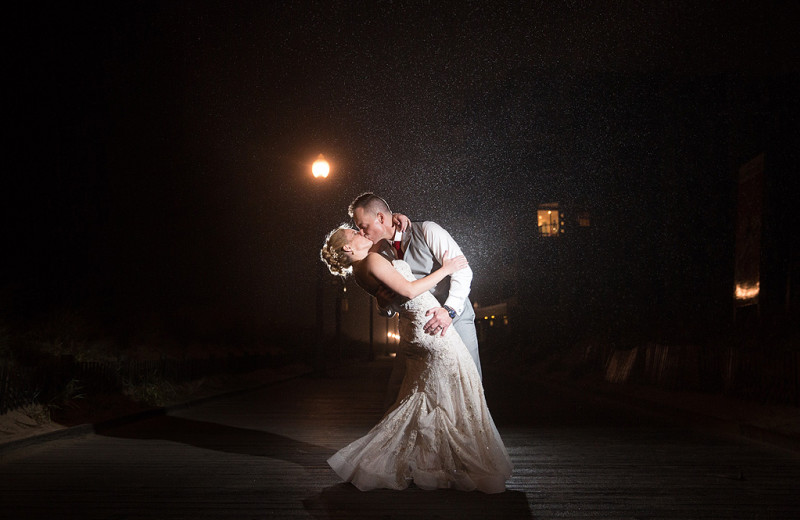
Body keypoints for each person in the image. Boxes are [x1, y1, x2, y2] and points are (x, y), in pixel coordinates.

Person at [320, 225, 512, 493]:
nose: (361, 233)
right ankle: (447, 463)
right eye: (355, 233)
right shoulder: (373, 260)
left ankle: (432, 461)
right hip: (432, 329)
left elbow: (393, 299)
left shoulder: (360, 274)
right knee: (453, 393)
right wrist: (445, 269)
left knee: (429, 398)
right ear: (348, 248)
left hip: (417, 330)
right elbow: (409, 292)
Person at [348, 192, 481, 409]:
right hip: (417, 327)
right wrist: (384, 306)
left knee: (468, 383)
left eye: (364, 226)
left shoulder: (427, 230)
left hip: (454, 317)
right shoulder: (375, 253)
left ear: (381, 218)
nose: (362, 233)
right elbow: (392, 299)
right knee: (402, 390)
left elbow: (462, 271)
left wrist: (449, 311)